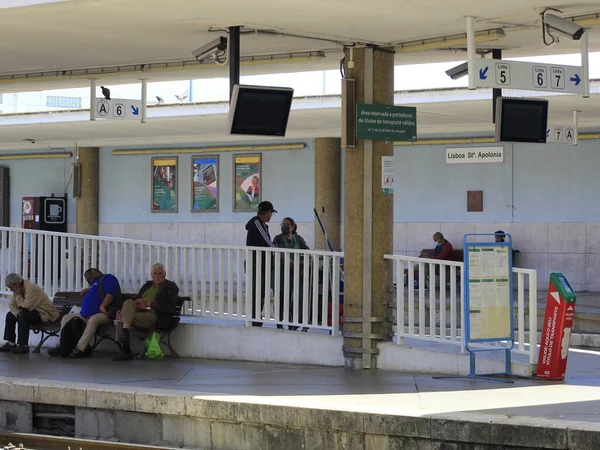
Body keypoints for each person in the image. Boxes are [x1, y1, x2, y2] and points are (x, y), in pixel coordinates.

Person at [49, 268, 122, 358]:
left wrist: (103, 305)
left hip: (104, 314)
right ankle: (61, 346)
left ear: (94, 271)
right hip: (85, 314)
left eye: (87, 276)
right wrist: (89, 289)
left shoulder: (108, 278)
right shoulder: (95, 284)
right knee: (66, 317)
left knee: (94, 319)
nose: (87, 279)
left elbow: (111, 293)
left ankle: (80, 348)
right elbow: (98, 290)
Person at [114, 263, 179, 361]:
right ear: (152, 274)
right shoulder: (148, 285)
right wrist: (139, 302)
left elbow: (169, 308)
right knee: (128, 302)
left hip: (154, 315)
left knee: (121, 319)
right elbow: (138, 298)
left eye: (160, 273)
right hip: (139, 311)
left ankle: (126, 350)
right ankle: (126, 332)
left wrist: (149, 304)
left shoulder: (171, 287)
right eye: (155, 274)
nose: (157, 276)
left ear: (165, 273)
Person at [0, 273, 59, 354]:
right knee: (10, 315)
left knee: (23, 316)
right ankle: (11, 343)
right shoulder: (18, 289)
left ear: (17, 284)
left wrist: (18, 296)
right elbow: (12, 306)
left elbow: (26, 307)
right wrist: (17, 313)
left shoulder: (30, 288)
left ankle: (23, 345)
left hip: (45, 314)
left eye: (11, 287)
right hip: (32, 312)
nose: (11, 290)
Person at [273, 217, 310, 331]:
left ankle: (292, 324)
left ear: (292, 226)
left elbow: (306, 250)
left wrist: (303, 261)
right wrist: (291, 261)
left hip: (295, 273)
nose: (284, 226)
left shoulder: (297, 238)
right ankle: (279, 324)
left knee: (295, 299)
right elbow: (280, 252)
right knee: (281, 299)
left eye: (287, 224)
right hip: (282, 273)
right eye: (282, 224)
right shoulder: (278, 238)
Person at [245, 200, 277, 327]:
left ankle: (257, 318)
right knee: (256, 294)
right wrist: (277, 248)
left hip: (262, 266)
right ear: (267, 212)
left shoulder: (263, 225)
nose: (270, 216)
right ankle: (254, 319)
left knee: (261, 294)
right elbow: (267, 242)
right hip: (256, 265)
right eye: (271, 213)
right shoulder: (257, 222)